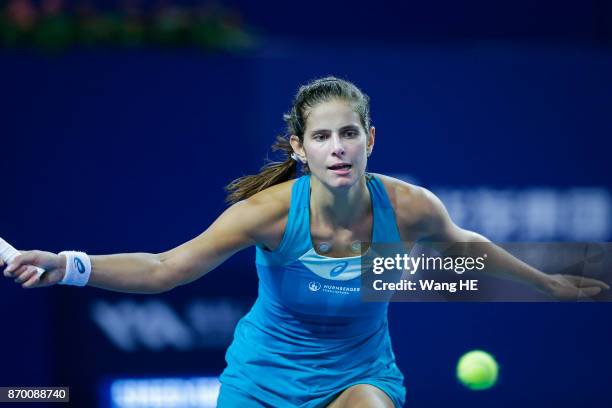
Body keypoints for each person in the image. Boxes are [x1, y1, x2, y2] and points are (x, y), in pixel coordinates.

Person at [3, 76, 609, 408]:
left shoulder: (410, 206)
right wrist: (68, 265)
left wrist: (547, 281)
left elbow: (467, 246)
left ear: (370, 137)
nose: (338, 148)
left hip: (361, 377)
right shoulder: (265, 215)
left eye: (349, 133)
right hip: (260, 382)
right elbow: (166, 268)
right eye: (322, 137)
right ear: (300, 147)